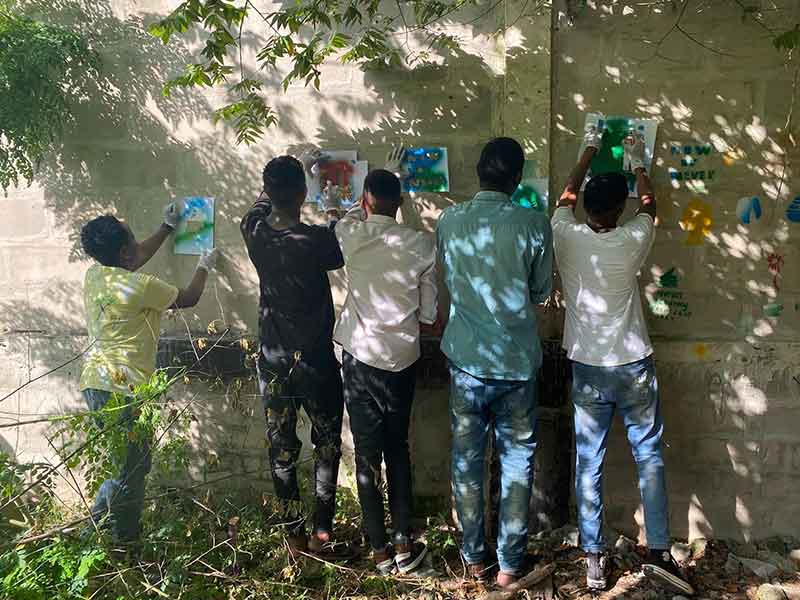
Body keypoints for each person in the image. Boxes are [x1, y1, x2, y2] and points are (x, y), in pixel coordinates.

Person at [551, 126, 694, 595]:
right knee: (648, 456)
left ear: (587, 208)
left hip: (588, 367)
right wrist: (637, 163)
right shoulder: (632, 239)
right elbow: (650, 206)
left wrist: (588, 148)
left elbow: (564, 197)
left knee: (588, 461)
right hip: (633, 363)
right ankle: (657, 553)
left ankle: (593, 561)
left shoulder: (566, 236)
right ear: (619, 209)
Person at [436, 137, 553, 587]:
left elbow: (446, 279)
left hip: (466, 362)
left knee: (467, 461)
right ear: (517, 178)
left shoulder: (450, 220)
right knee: (518, 462)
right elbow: (541, 292)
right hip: (518, 365)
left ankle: (474, 559)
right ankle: (508, 567)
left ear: (479, 172)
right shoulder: (534, 224)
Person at [79, 206, 218, 544]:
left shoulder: (96, 276)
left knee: (125, 466)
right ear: (125, 252)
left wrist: (166, 226)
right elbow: (188, 298)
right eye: (132, 239)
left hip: (95, 383)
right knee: (134, 469)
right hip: (122, 389)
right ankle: (123, 542)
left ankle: (93, 530)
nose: (138, 246)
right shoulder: (140, 286)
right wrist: (204, 265)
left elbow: (134, 256)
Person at [332, 148, 438, 575]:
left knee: (365, 455)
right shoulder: (422, 244)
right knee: (398, 449)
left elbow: (348, 217)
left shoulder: (351, 235)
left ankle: (377, 550)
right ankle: (402, 544)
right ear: (399, 204)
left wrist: (387, 179)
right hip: (401, 361)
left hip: (360, 360)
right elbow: (428, 315)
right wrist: (400, 190)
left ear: (364, 201)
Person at [240, 154, 347, 559]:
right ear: (304, 193)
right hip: (316, 363)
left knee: (281, 449)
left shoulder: (254, 232)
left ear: (268, 192)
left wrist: (278, 181)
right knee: (327, 445)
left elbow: (257, 206)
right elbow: (338, 251)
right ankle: (323, 532)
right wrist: (334, 213)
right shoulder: (316, 240)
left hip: (274, 361)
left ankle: (294, 535)